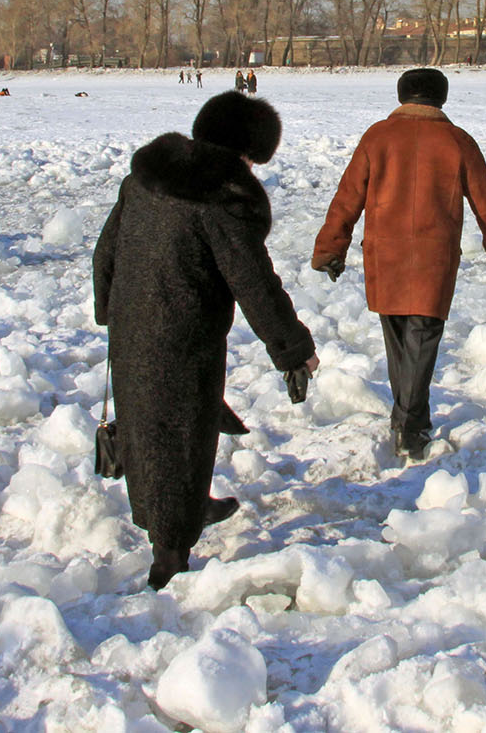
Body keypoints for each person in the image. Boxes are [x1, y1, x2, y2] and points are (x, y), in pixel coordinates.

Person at [93, 91, 318, 589]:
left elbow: (105, 251)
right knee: (175, 438)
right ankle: (169, 557)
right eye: (252, 160)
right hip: (183, 335)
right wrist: (294, 351)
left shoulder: (145, 179)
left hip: (132, 325)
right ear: (244, 151)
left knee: (152, 428)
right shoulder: (221, 201)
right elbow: (254, 283)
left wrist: (109, 310)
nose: (251, 170)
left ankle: (190, 508)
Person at [312, 69, 486, 459]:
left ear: (402, 95)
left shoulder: (377, 137)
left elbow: (348, 196)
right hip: (432, 257)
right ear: (442, 97)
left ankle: (406, 419)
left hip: (385, 255)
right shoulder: (456, 140)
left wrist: (330, 248)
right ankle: (410, 427)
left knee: (399, 342)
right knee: (421, 340)